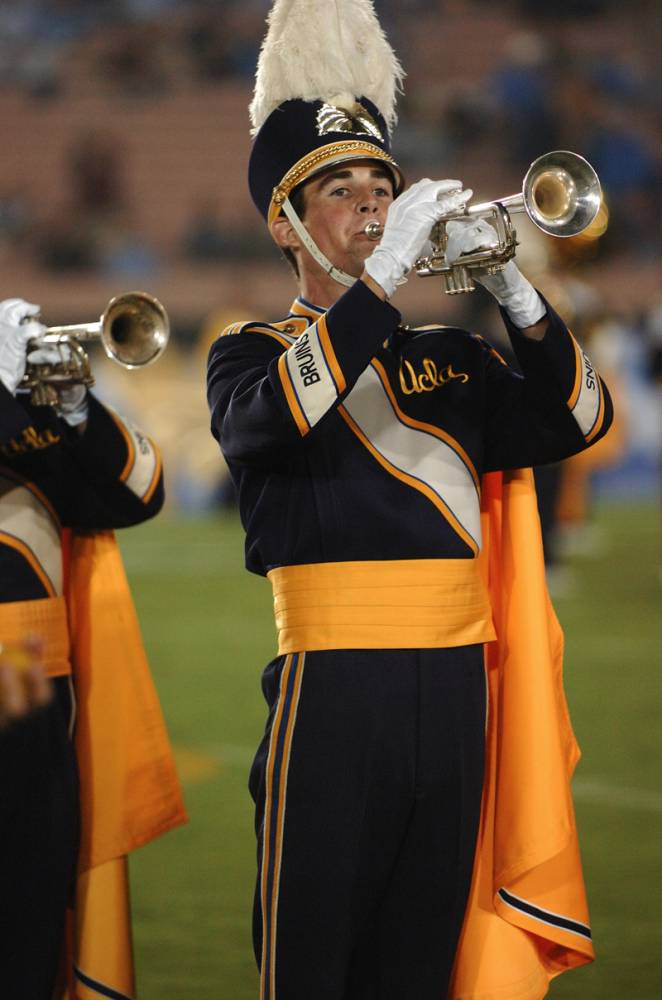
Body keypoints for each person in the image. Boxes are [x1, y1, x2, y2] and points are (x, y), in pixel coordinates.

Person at [206, 3, 612, 997]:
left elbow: (580, 419)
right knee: (312, 960)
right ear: (283, 219)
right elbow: (267, 425)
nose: (370, 206)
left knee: (421, 963)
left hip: (456, 690)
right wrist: (377, 283)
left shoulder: (453, 356)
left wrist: (518, 296)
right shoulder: (247, 354)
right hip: (333, 690)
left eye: (381, 186)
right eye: (338, 191)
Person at [0, 296, 185, 999]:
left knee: (31, 913)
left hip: (29, 682)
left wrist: (75, 410)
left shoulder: (18, 406)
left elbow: (134, 494)